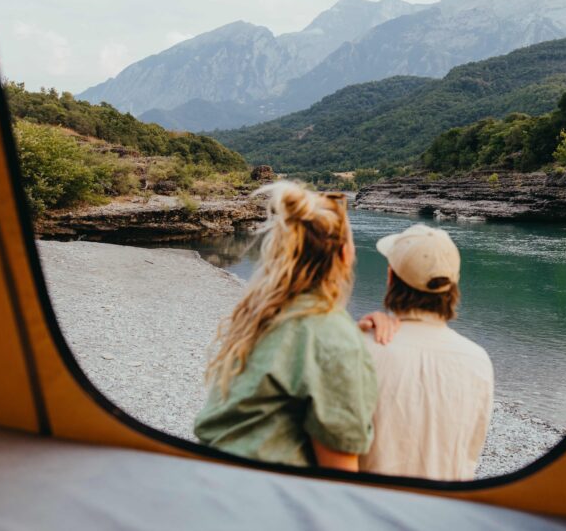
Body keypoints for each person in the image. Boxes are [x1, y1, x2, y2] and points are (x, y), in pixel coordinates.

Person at [194, 182, 377, 472]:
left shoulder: (263, 313)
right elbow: (339, 473)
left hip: (214, 481)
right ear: (344, 255)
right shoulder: (330, 333)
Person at [359, 224, 494, 481]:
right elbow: (470, 453)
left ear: (390, 278)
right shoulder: (478, 361)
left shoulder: (361, 349)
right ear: (452, 285)